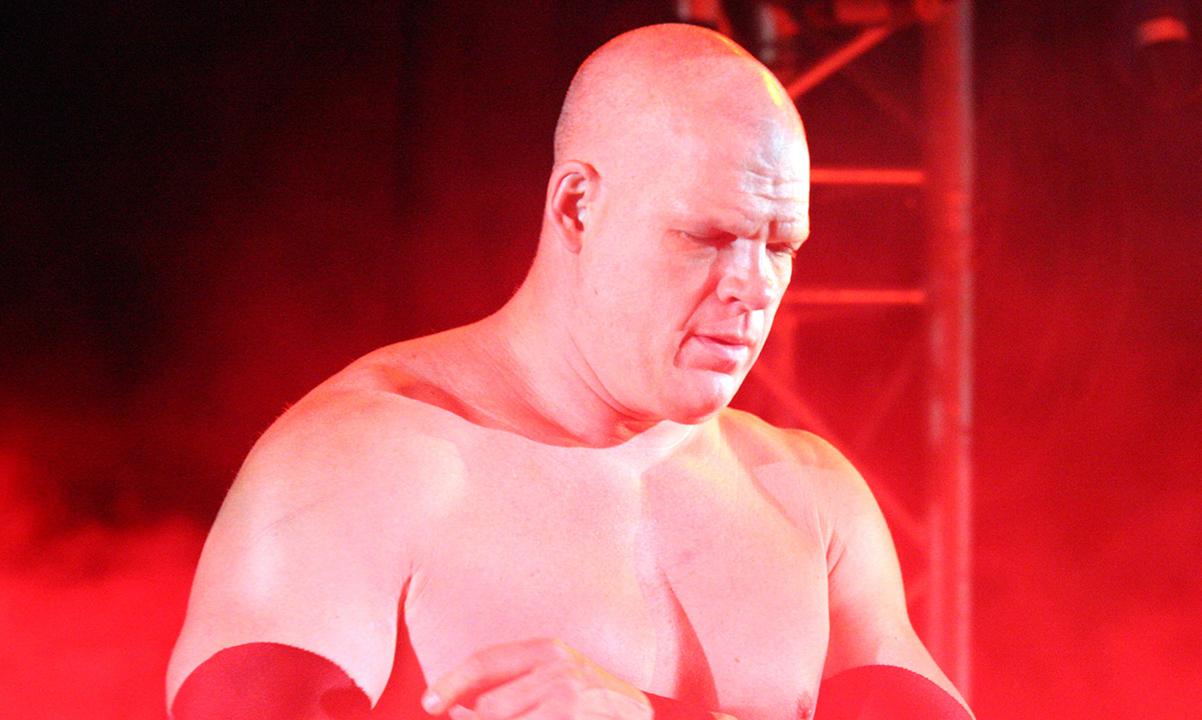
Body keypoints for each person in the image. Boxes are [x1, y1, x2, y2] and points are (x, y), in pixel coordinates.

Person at [166, 23, 973, 720]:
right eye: (706, 236)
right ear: (577, 207)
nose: (754, 286)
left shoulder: (809, 496)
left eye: (780, 245)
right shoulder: (364, 460)